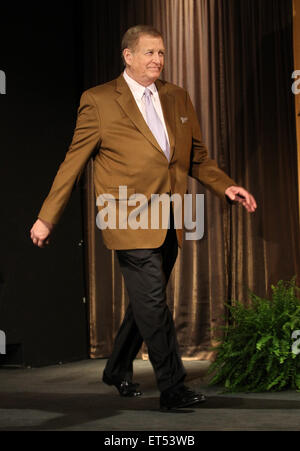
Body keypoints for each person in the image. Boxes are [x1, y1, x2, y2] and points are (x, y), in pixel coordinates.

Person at [30, 25, 257, 411]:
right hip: (127, 217)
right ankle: (173, 387)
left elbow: (197, 158)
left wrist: (226, 186)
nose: (157, 60)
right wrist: (47, 217)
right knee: (153, 301)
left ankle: (117, 368)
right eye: (149, 53)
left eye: (162, 53)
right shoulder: (99, 101)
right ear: (128, 56)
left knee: (144, 303)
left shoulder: (178, 97)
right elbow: (73, 162)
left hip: (171, 217)